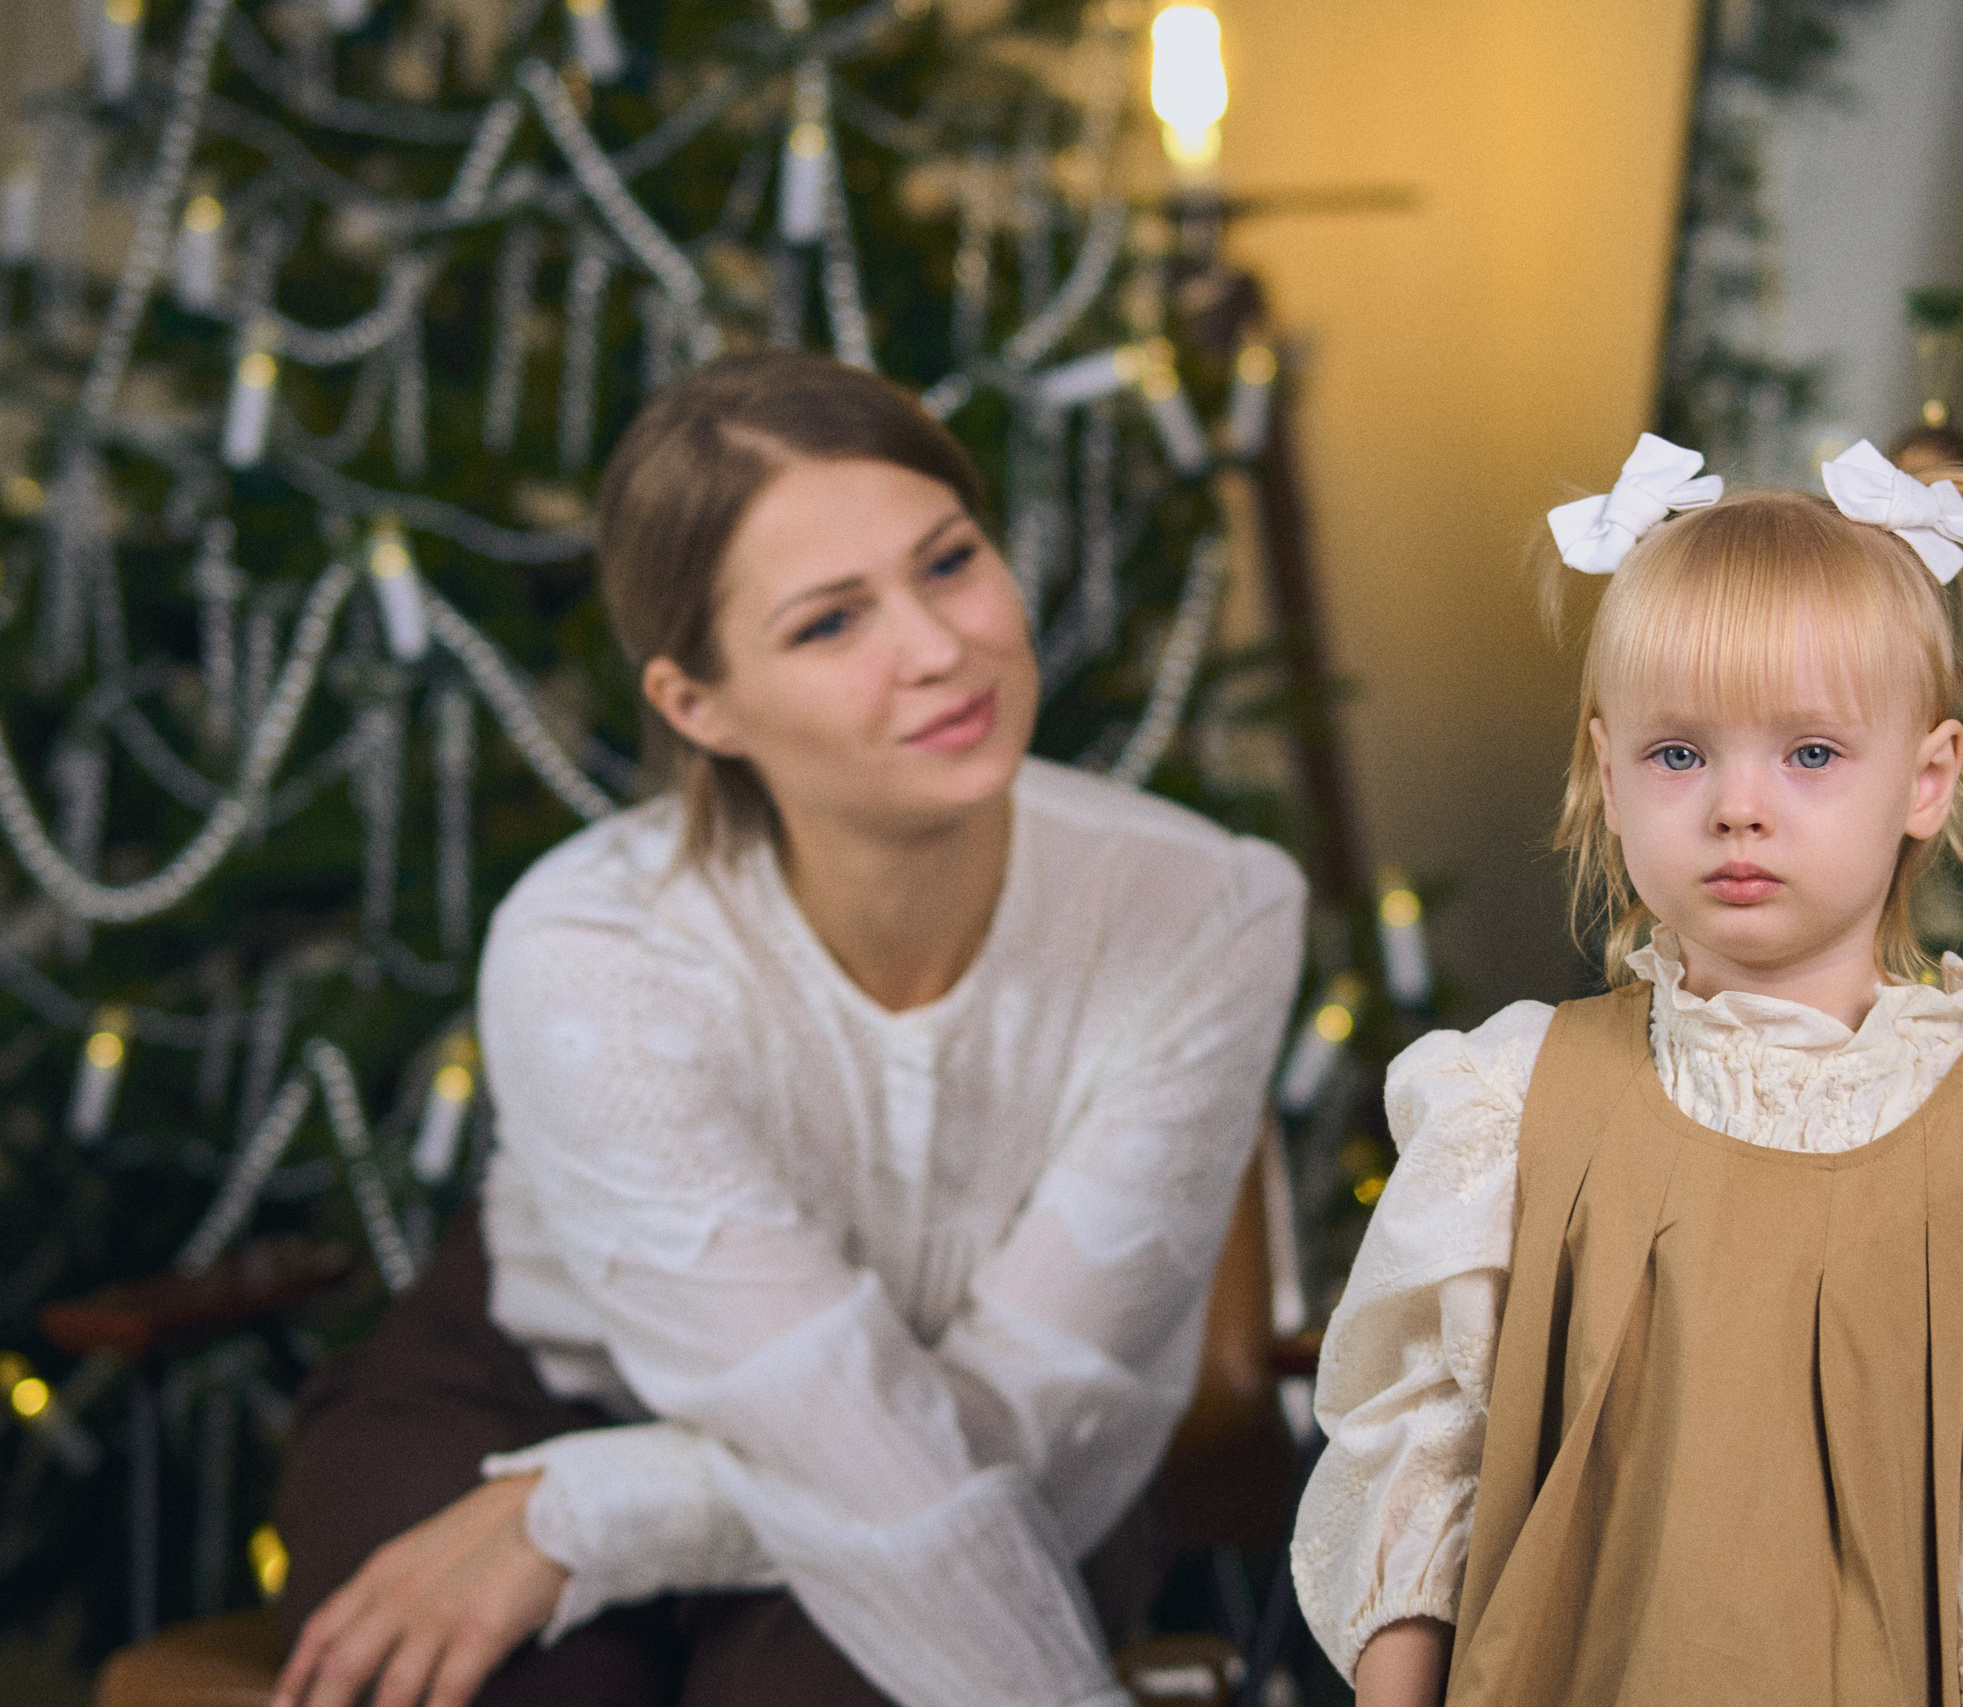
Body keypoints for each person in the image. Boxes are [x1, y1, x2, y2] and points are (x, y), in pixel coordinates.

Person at [271, 351, 1306, 1707]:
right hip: (534, 1393)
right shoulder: (591, 946)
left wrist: (587, 1514)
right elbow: (808, 1420)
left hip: (999, 1446)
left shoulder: (1211, 909)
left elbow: (1031, 1421)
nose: (939, 646)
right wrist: (560, 1477)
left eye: (949, 560)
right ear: (698, 706)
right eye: (830, 623)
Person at [1289, 434, 1963, 1706]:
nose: (1738, 805)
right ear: (1605, 779)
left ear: (1927, 780)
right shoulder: (1514, 1107)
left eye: (1810, 754)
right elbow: (1417, 1449)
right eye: (1680, 755)